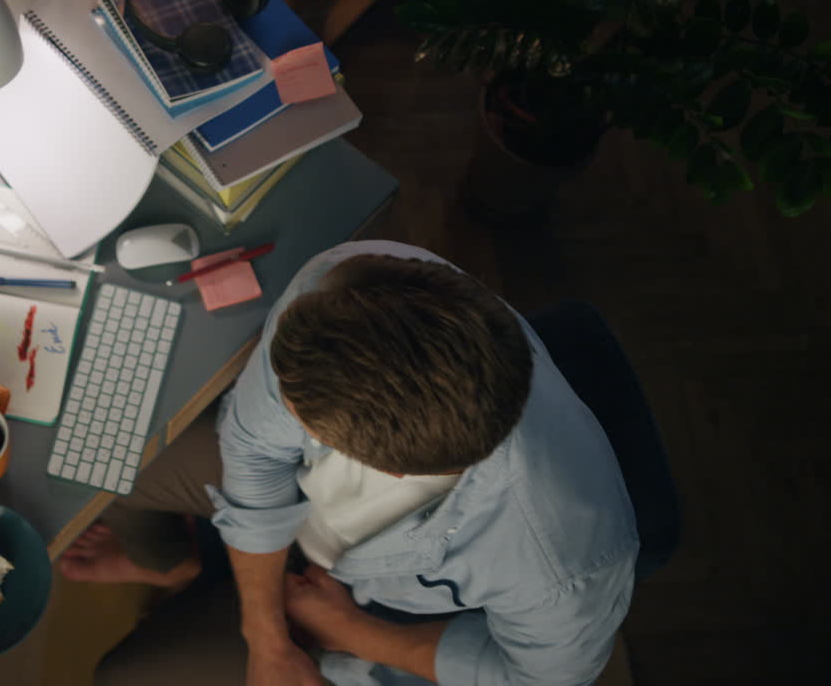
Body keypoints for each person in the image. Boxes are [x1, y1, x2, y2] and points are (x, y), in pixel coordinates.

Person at [60, 241, 638, 685]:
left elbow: (532, 680)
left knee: (125, 676)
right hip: (318, 534)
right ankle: (175, 566)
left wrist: (354, 632)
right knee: (100, 450)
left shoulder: (563, 569)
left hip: (381, 613)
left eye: (297, 410)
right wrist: (263, 636)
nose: (269, 398)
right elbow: (254, 450)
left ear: (380, 469)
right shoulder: (347, 285)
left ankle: (203, 571)